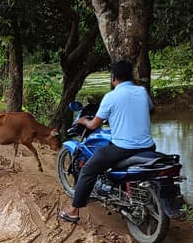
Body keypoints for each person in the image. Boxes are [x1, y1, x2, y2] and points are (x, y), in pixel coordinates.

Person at [60, 60, 155, 224]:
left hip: (123, 149)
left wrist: (83, 121)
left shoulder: (111, 97)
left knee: (89, 169)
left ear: (113, 78)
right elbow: (151, 110)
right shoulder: (141, 91)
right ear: (131, 76)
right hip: (148, 146)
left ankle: (74, 211)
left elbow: (94, 124)